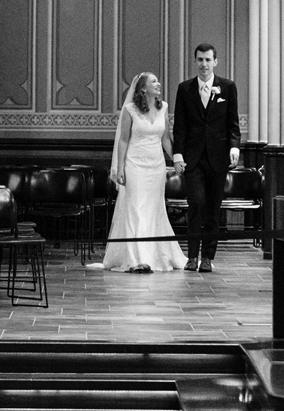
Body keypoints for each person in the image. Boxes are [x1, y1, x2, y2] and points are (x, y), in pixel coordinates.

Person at [102, 71, 186, 273]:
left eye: (158, 80)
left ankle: (155, 254)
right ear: (143, 88)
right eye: (154, 81)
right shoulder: (130, 110)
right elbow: (123, 140)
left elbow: (165, 138)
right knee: (136, 210)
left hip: (156, 166)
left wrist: (176, 159)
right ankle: (137, 258)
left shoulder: (163, 107)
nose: (159, 84)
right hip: (135, 165)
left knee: (154, 209)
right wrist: (120, 167)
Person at [171, 42, 241, 273]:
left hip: (218, 157)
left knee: (212, 208)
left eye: (208, 60)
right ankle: (191, 256)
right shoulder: (185, 89)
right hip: (192, 158)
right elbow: (179, 126)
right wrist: (178, 154)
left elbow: (233, 123)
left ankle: (208, 257)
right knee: (196, 204)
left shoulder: (228, 87)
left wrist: (234, 147)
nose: (204, 64)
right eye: (200, 59)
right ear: (195, 61)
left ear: (215, 62)